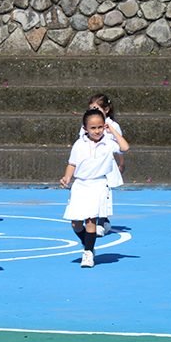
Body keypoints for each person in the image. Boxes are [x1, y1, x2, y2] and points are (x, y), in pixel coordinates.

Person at [59, 108, 129, 268]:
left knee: (91, 220)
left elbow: (125, 147)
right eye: (93, 128)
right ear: (85, 129)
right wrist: (67, 177)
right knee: (76, 223)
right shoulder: (79, 144)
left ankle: (88, 253)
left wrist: (112, 130)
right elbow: (72, 163)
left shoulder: (109, 143)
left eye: (100, 127)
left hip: (98, 185)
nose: (97, 131)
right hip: (80, 185)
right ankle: (88, 244)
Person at [79, 93, 124, 237]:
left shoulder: (113, 125)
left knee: (104, 194)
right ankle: (92, 217)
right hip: (91, 165)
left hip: (107, 164)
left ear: (106, 110)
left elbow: (120, 146)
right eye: (91, 108)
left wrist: (121, 163)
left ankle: (102, 221)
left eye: (97, 108)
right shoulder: (86, 125)